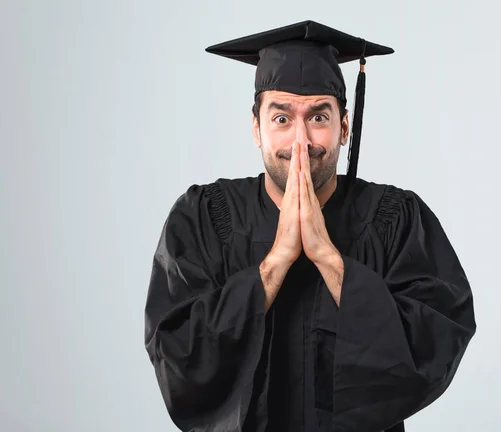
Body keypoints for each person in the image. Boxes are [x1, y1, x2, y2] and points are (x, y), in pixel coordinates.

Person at [144, 20, 476, 432]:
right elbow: (177, 356)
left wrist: (330, 260)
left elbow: (434, 349)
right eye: (281, 118)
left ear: (344, 128)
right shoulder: (206, 218)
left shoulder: (394, 219)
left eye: (319, 116)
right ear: (256, 130)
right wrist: (275, 263)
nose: (301, 141)